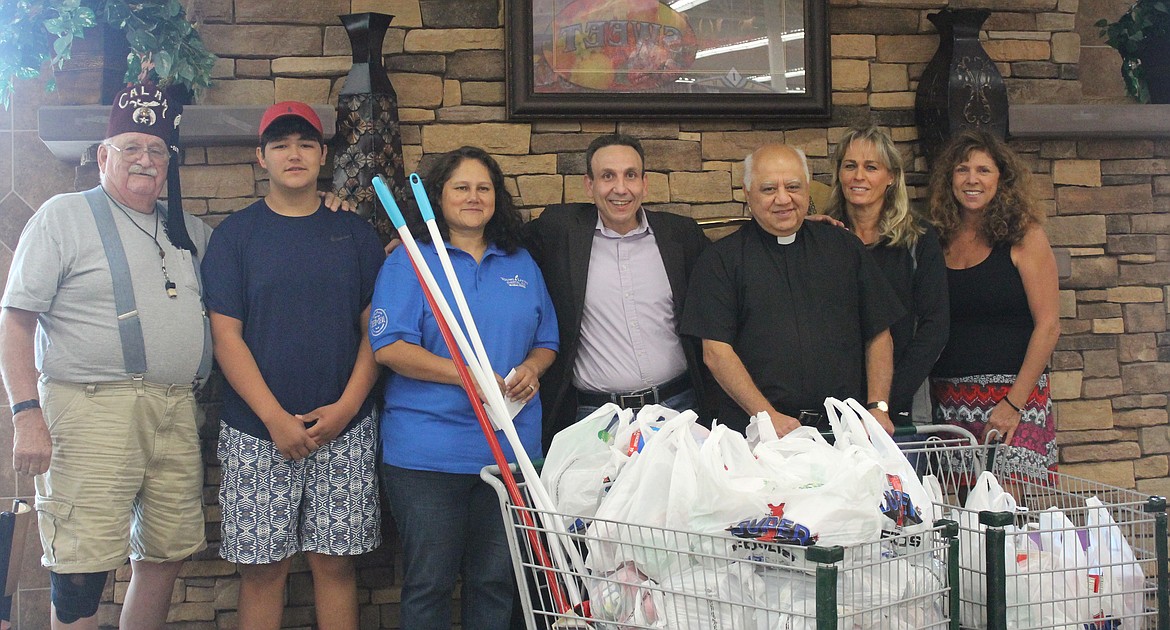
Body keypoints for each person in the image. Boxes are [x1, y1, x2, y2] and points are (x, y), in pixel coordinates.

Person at [0, 83, 211, 629]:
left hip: (177, 412)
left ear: (170, 162)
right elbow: (16, 321)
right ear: (103, 156)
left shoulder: (188, 231)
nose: (145, 160)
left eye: (157, 150)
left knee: (164, 556)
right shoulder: (62, 216)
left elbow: (260, 251)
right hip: (90, 413)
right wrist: (26, 415)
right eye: (131, 147)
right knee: (79, 573)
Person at [200, 102, 385, 630]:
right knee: (262, 571)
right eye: (280, 144)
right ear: (261, 157)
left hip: (344, 430)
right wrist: (275, 419)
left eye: (305, 143)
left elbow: (377, 329)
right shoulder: (235, 237)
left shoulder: (354, 234)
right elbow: (225, 335)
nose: (294, 154)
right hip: (255, 431)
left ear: (324, 155)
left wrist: (348, 408)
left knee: (335, 565)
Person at [369, 146, 558, 628]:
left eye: (484, 188)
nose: (473, 197)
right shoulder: (410, 261)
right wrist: (467, 374)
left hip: (510, 453)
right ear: (437, 196)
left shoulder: (520, 263)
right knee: (429, 584)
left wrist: (534, 369)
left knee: (495, 583)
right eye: (461, 187)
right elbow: (389, 347)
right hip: (429, 454)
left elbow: (546, 341)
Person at [681, 143, 904, 436]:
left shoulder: (844, 248)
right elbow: (716, 353)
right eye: (769, 189)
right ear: (747, 194)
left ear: (808, 189)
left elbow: (878, 332)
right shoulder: (720, 260)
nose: (783, 199)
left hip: (843, 433)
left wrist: (878, 406)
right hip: (758, 434)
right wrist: (767, 416)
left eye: (793, 186)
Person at [525, 133, 709, 444]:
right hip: (596, 419)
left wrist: (797, 228)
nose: (620, 188)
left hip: (678, 411)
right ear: (589, 185)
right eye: (607, 176)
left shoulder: (681, 236)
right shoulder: (559, 231)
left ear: (645, 183)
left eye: (630, 175)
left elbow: (730, 270)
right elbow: (496, 234)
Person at [927, 129, 1060, 475]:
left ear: (1002, 178)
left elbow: (1048, 326)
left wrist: (1014, 402)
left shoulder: (1025, 236)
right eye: (962, 169)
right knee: (960, 519)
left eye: (983, 170)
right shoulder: (935, 240)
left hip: (1016, 399)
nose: (972, 179)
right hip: (949, 402)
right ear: (949, 179)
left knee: (1007, 513)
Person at [820, 124, 949, 427]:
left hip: (899, 406)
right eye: (850, 166)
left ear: (891, 177)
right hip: (832, 407)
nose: (859, 176)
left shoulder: (918, 239)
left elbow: (935, 327)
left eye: (871, 167)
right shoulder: (824, 238)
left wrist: (886, 401)